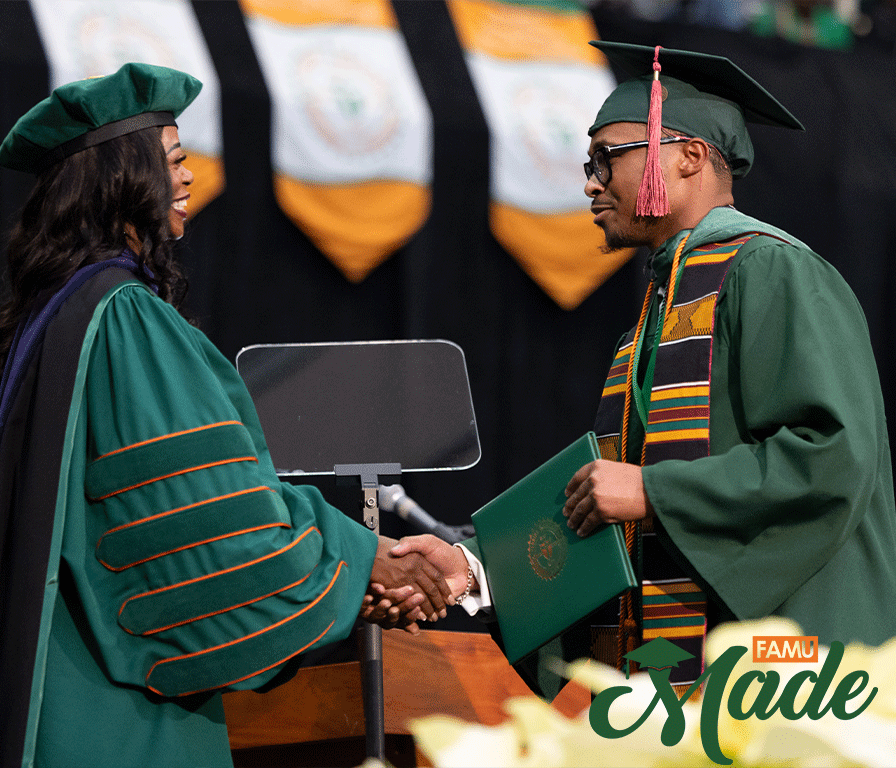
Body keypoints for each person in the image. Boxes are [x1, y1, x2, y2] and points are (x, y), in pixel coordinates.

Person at [0, 62, 450, 768]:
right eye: (175, 161)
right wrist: (362, 561)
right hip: (109, 708)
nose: (189, 179)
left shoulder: (60, 313)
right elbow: (210, 516)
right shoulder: (126, 318)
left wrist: (352, 572)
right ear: (121, 177)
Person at [370, 41, 896, 694]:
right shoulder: (661, 310)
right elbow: (607, 502)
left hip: (787, 671)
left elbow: (832, 456)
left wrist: (655, 493)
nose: (590, 181)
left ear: (690, 156)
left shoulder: (774, 273)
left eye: (606, 158)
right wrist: (475, 567)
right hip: (688, 679)